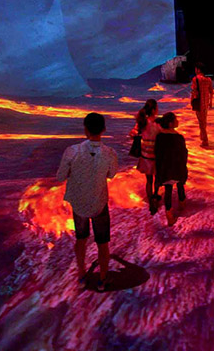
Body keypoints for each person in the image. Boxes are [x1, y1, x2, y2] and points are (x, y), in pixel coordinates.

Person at [56, 113, 118, 291]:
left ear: (85, 129)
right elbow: (111, 174)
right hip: (99, 202)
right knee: (102, 242)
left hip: (79, 203)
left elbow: (60, 176)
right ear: (103, 129)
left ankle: (82, 274)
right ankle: (103, 279)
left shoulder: (72, 151)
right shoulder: (110, 153)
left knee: (81, 239)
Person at [154, 112, 188, 227]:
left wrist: (159, 170)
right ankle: (182, 206)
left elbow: (157, 154)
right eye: (175, 120)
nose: (177, 121)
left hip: (165, 168)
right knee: (180, 186)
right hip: (177, 167)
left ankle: (169, 215)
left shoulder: (160, 137)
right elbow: (183, 154)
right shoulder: (179, 137)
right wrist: (184, 167)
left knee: (168, 190)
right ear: (170, 123)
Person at [129, 99, 162, 213]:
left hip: (145, 155)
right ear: (153, 110)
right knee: (157, 178)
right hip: (157, 155)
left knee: (149, 180)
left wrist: (140, 137)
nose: (157, 110)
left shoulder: (142, 122)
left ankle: (151, 202)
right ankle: (155, 196)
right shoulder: (158, 123)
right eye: (156, 108)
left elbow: (132, 134)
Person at [191, 62, 214, 148]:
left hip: (199, 102)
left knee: (201, 122)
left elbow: (194, 91)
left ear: (198, 69)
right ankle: (202, 136)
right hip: (206, 103)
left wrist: (192, 100)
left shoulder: (195, 79)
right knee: (204, 120)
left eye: (196, 68)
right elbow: (211, 92)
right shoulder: (208, 79)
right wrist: (211, 102)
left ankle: (205, 140)